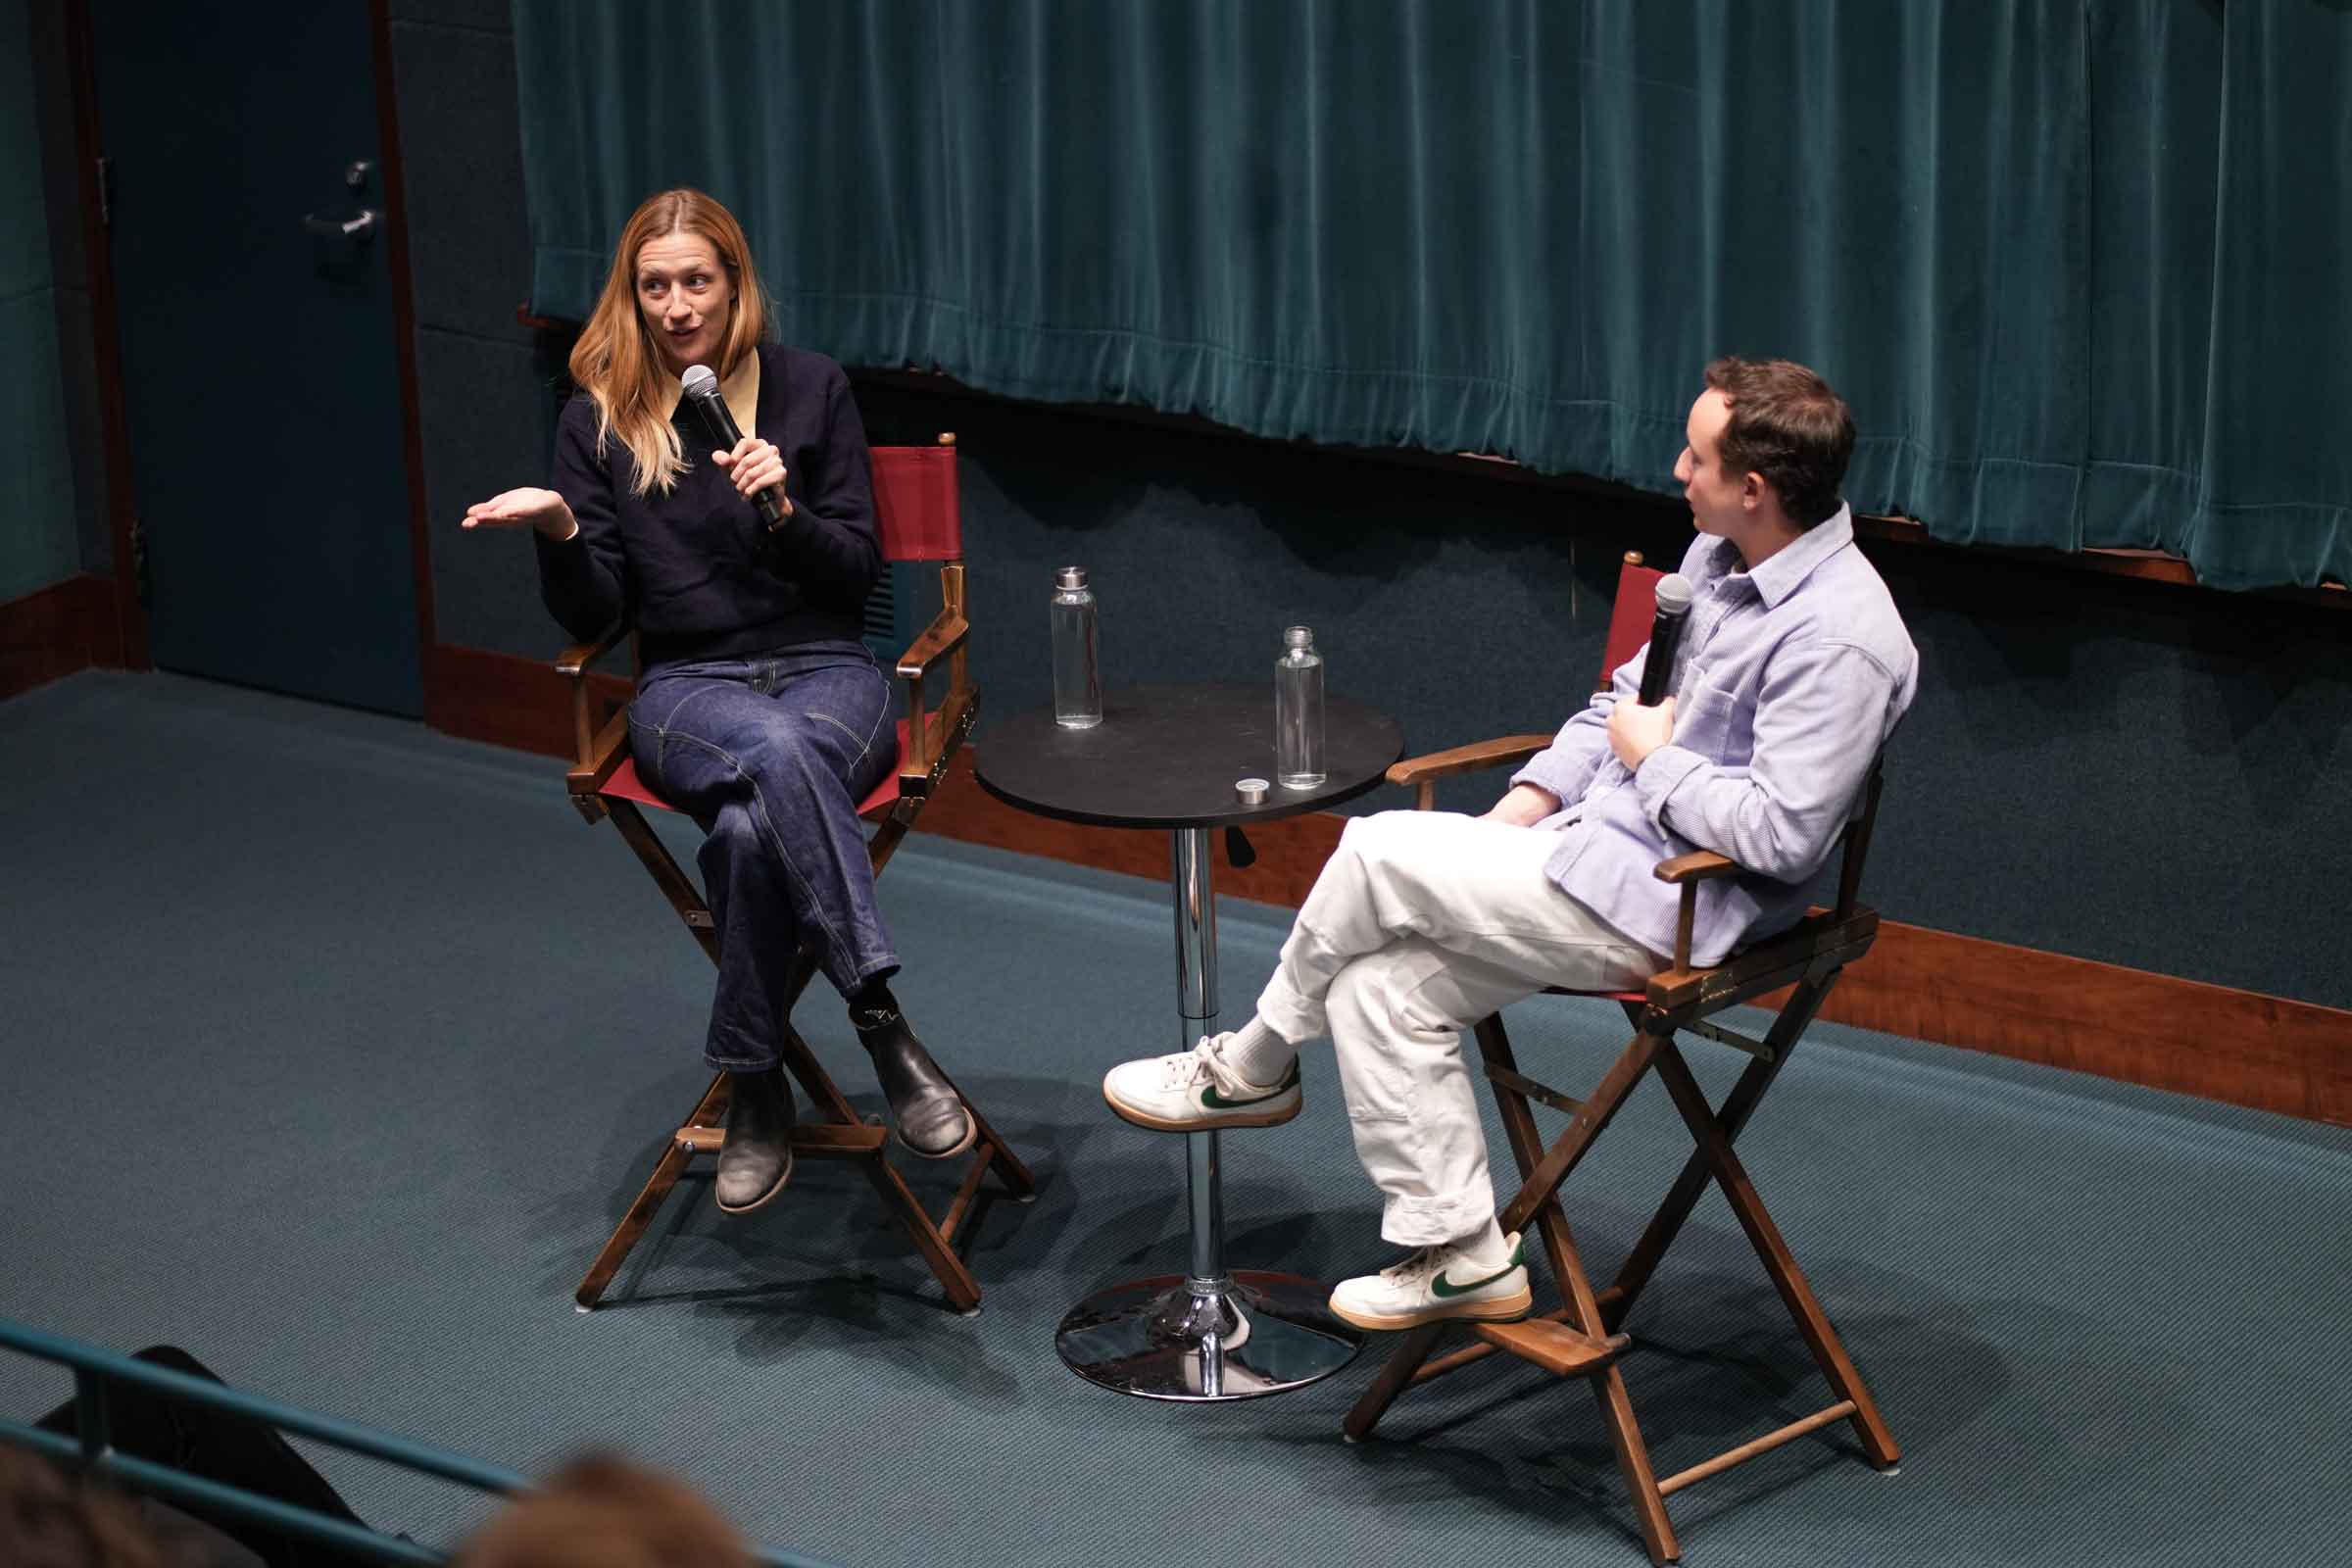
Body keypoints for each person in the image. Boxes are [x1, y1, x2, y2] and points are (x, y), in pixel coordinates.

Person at [1103, 357, 1918, 1333]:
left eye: (1695, 457)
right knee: (1379, 990)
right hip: (1586, 849)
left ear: (1755, 488)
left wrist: (1655, 764)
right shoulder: (1717, 555)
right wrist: (1528, 802)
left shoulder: (1843, 639)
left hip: (1677, 906)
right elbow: (1619, 701)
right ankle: (1463, 1253)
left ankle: (1250, 1066)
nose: (1675, 470)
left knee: (1374, 848)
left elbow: (1784, 838)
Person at [462, 188, 973, 1213]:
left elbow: (853, 576)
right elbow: (598, 608)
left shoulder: (812, 389)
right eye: (654, 285)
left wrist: (784, 507)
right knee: (774, 758)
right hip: (689, 688)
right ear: (633, 295)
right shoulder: (597, 420)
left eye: (696, 280)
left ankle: (754, 1078)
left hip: (831, 670)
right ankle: (882, 1017)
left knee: (745, 835)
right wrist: (563, 528)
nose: (675, 304)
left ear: (735, 284)